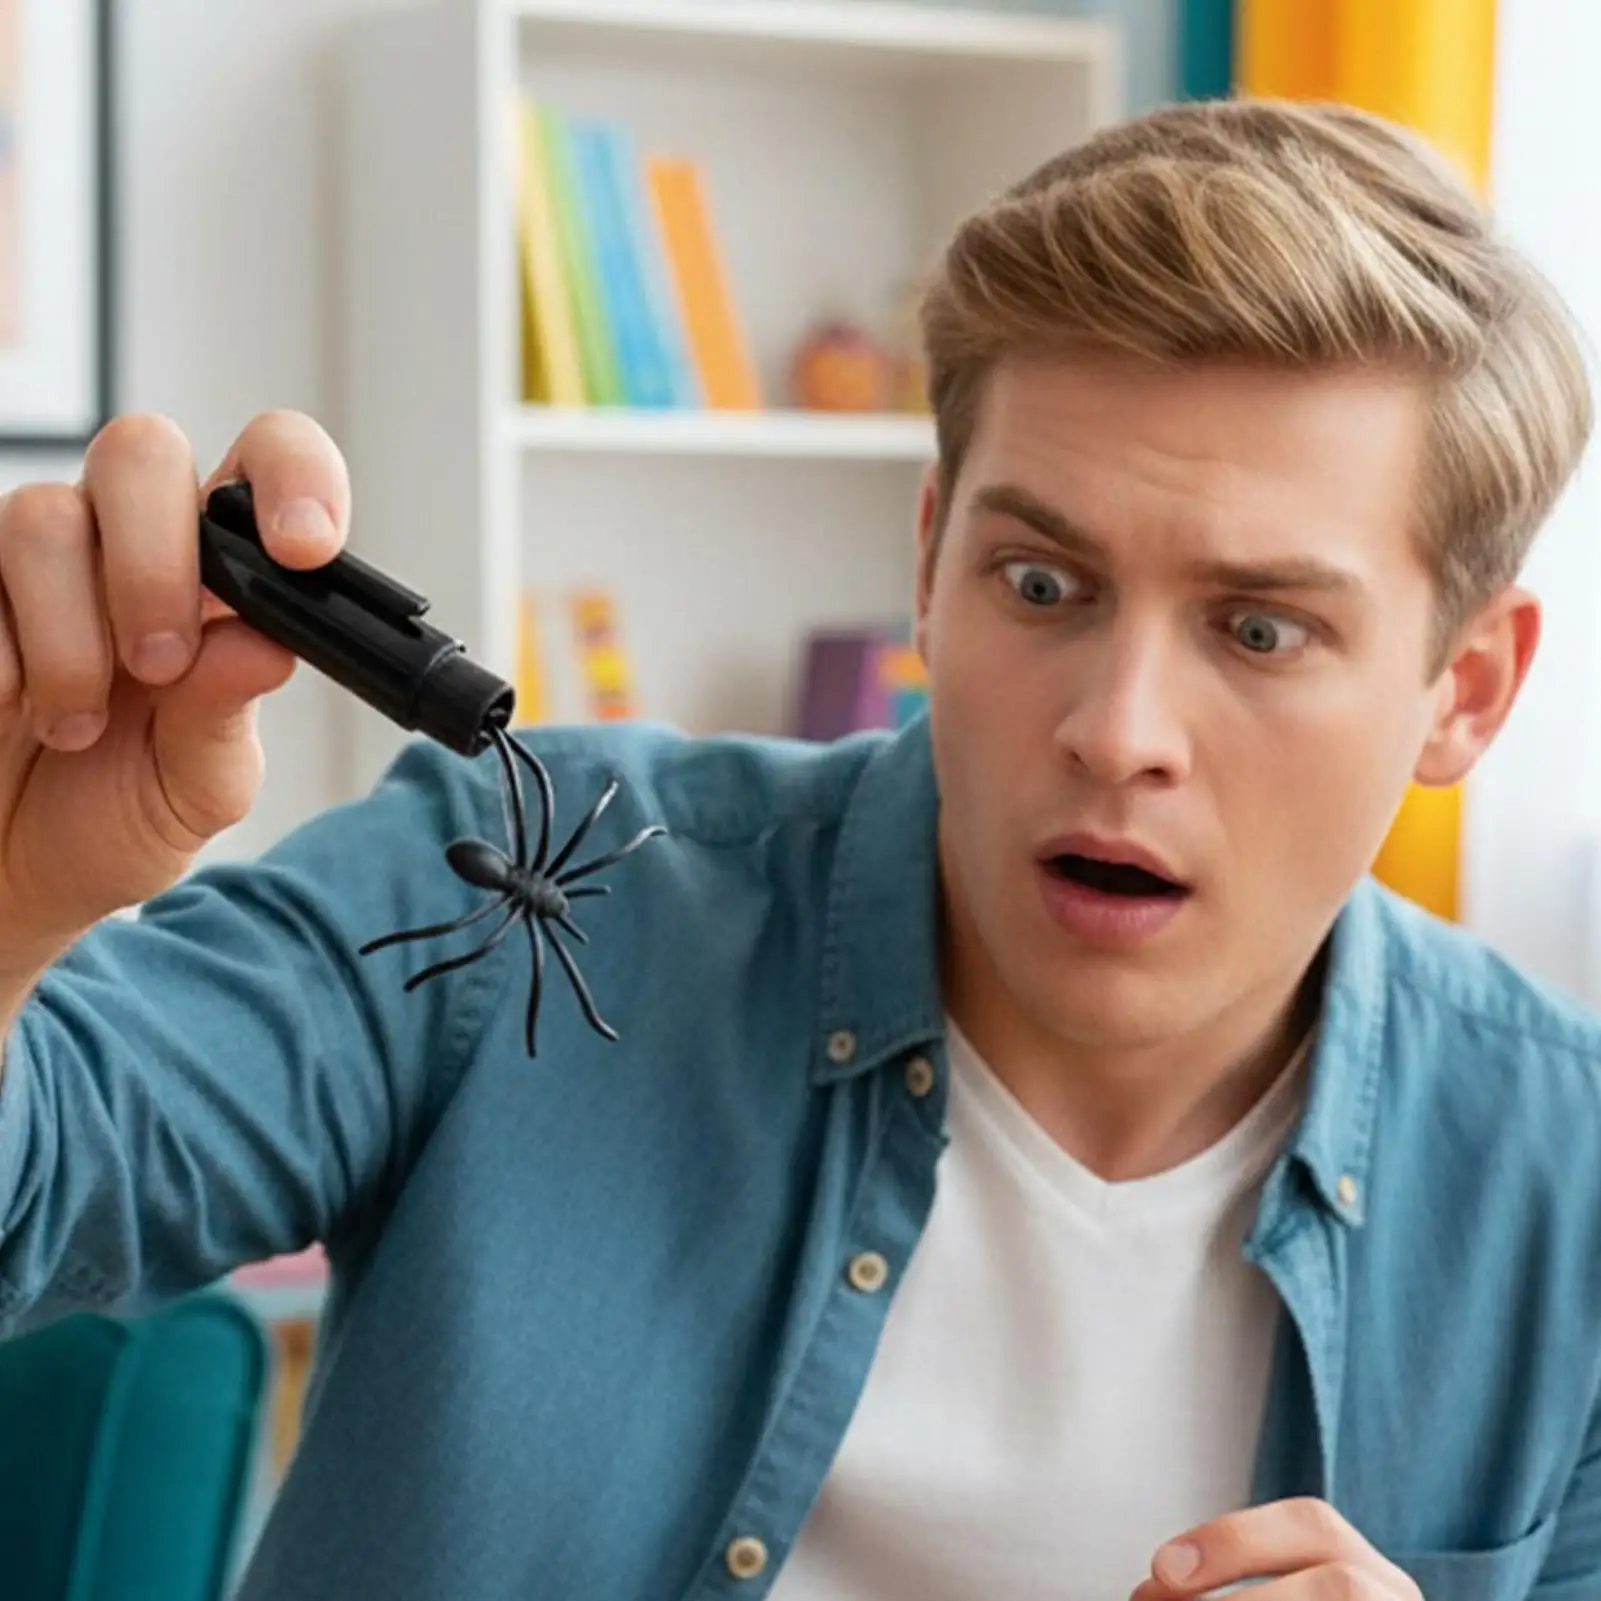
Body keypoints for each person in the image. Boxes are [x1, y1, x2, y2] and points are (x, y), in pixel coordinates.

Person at [0, 94, 1595, 1601]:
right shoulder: (522, 876)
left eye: (1259, 628)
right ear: (929, 563)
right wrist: (10, 910)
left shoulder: (1570, 1194)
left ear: (1464, 692)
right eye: (1041, 586)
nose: (1119, 731)